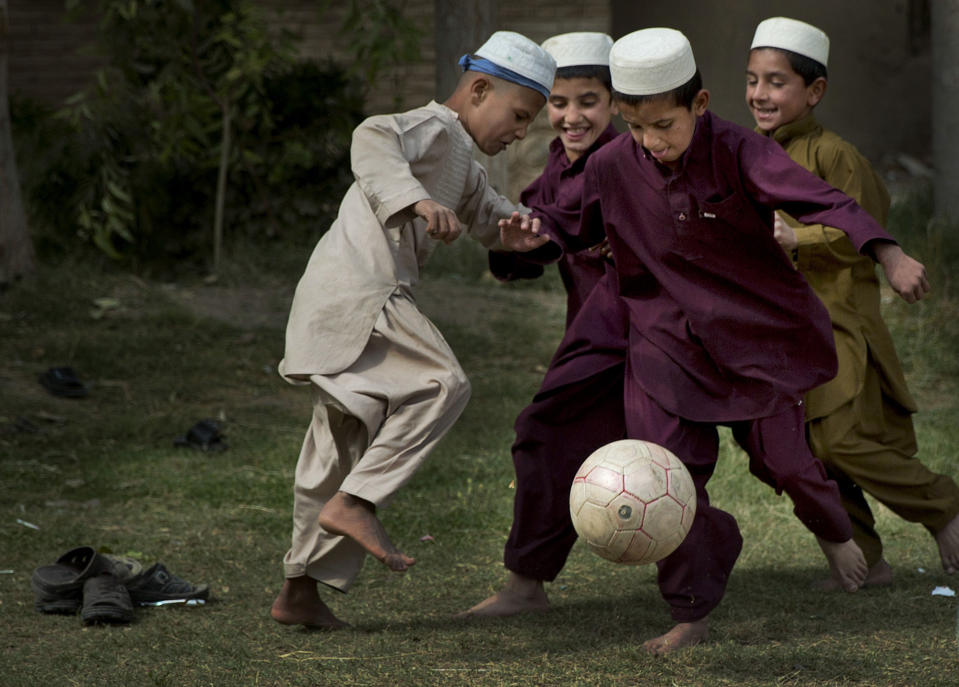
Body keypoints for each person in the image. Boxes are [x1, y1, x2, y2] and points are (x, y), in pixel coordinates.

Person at [495, 27, 929, 655]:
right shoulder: (614, 164)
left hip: (757, 338)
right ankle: (691, 610)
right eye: (638, 127)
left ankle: (836, 533)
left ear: (698, 106)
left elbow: (823, 200)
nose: (652, 143)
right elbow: (568, 224)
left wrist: (887, 254)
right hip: (664, 343)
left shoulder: (740, 150)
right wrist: (527, 240)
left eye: (665, 126)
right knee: (669, 474)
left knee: (786, 464)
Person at [269, 30, 556, 630]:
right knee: (441, 382)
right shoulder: (433, 129)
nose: (520, 133)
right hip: (362, 292)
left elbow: (488, 213)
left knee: (335, 448)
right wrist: (418, 203)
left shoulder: (465, 165)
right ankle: (357, 502)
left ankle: (298, 592)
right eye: (520, 116)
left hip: (341, 301)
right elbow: (371, 137)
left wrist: (516, 230)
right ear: (479, 89)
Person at [745, 16, 959, 587]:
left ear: (813, 92)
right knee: (811, 448)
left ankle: (944, 507)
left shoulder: (834, 155)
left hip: (841, 322)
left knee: (840, 439)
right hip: (787, 331)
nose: (759, 95)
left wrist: (800, 238)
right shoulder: (751, 153)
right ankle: (867, 561)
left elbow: (861, 228)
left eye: (775, 82)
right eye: (752, 80)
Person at [459, 32, 631, 618]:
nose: (571, 116)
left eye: (588, 101)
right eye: (558, 103)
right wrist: (515, 244)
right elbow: (536, 234)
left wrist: (543, 235)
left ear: (615, 104)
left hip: (641, 336)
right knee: (549, 440)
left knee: (545, 432)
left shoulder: (627, 160)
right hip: (592, 336)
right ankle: (526, 584)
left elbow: (564, 225)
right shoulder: (558, 167)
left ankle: (849, 541)